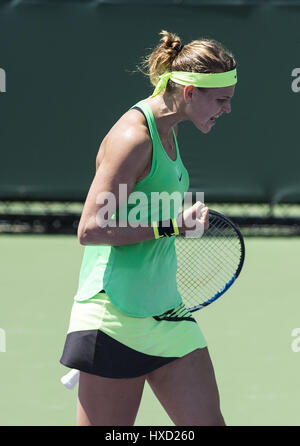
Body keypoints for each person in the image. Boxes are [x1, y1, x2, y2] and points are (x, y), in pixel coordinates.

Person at [60, 30, 237, 426]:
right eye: (221, 101)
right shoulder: (133, 137)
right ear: (190, 93)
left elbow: (149, 215)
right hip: (114, 316)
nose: (227, 111)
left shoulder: (169, 130)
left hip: (166, 311)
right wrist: (170, 225)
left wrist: (176, 225)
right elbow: (90, 228)